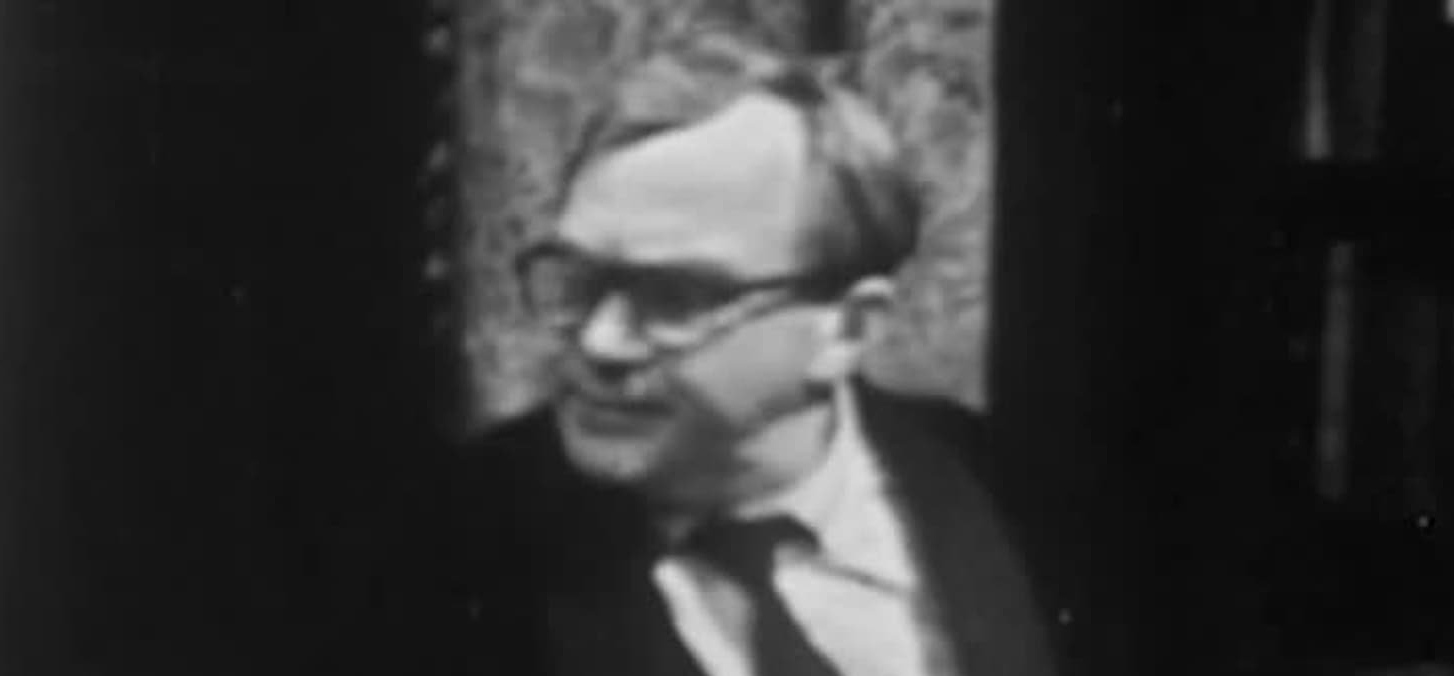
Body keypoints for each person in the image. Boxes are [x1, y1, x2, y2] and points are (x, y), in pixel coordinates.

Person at [441, 32, 1057, 676]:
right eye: (578, 280)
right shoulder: (442, 550)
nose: (600, 342)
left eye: (675, 297)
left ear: (847, 329)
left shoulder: (1020, 497)